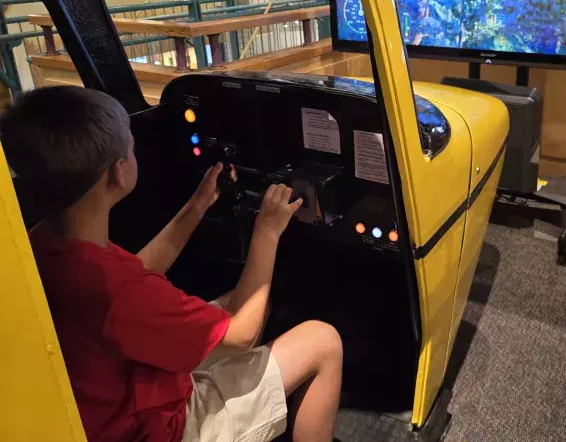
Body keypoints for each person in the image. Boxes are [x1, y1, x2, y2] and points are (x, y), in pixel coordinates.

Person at [0, 86, 342, 442]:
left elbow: (136, 271)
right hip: (158, 429)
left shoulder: (43, 243)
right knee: (323, 340)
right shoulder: (119, 291)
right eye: (131, 149)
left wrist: (197, 206)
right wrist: (267, 233)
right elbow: (242, 334)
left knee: (235, 300)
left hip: (109, 407)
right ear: (117, 173)